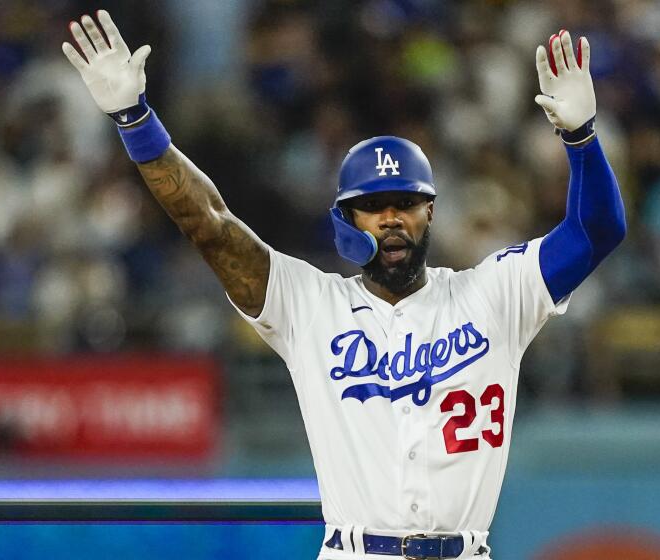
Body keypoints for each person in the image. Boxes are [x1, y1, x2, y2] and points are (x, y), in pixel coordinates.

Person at [63, 12, 625, 560]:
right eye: (372, 207)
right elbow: (208, 223)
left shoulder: (495, 294)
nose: (390, 219)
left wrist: (581, 138)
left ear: (430, 212)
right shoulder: (309, 304)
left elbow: (597, 231)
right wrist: (136, 121)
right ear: (345, 220)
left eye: (404, 203)